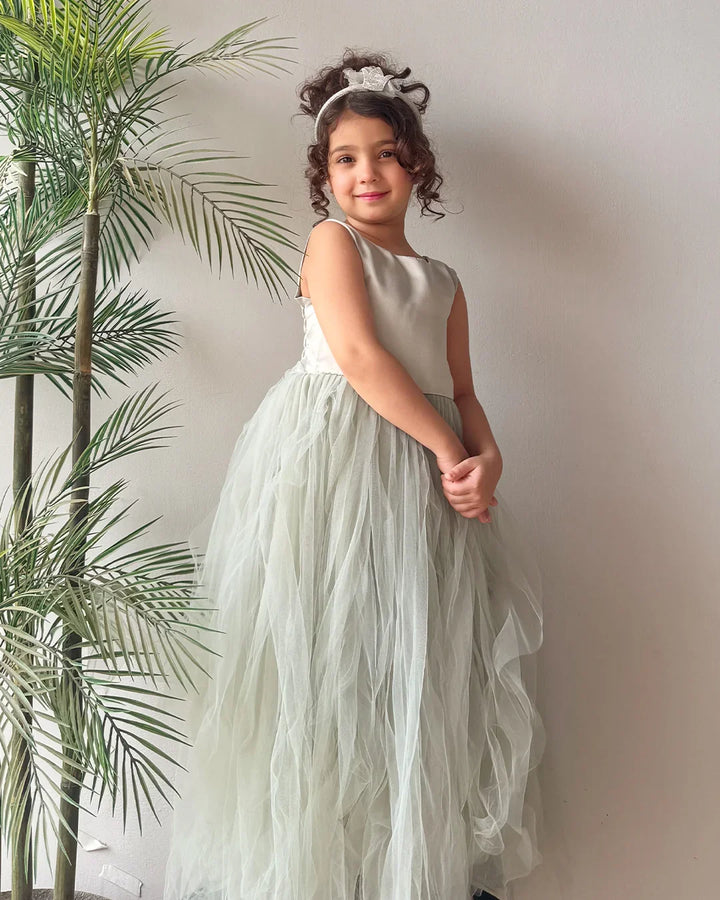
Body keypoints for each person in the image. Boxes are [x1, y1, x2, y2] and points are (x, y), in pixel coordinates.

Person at [162, 50, 546, 900]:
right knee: (324, 674)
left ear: (417, 166)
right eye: (344, 158)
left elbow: (464, 391)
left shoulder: (444, 280)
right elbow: (364, 360)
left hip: (423, 499)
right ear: (324, 177)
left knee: (410, 677)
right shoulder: (331, 245)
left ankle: (397, 876)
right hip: (333, 484)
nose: (365, 172)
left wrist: (486, 458)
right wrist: (451, 454)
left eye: (383, 152)